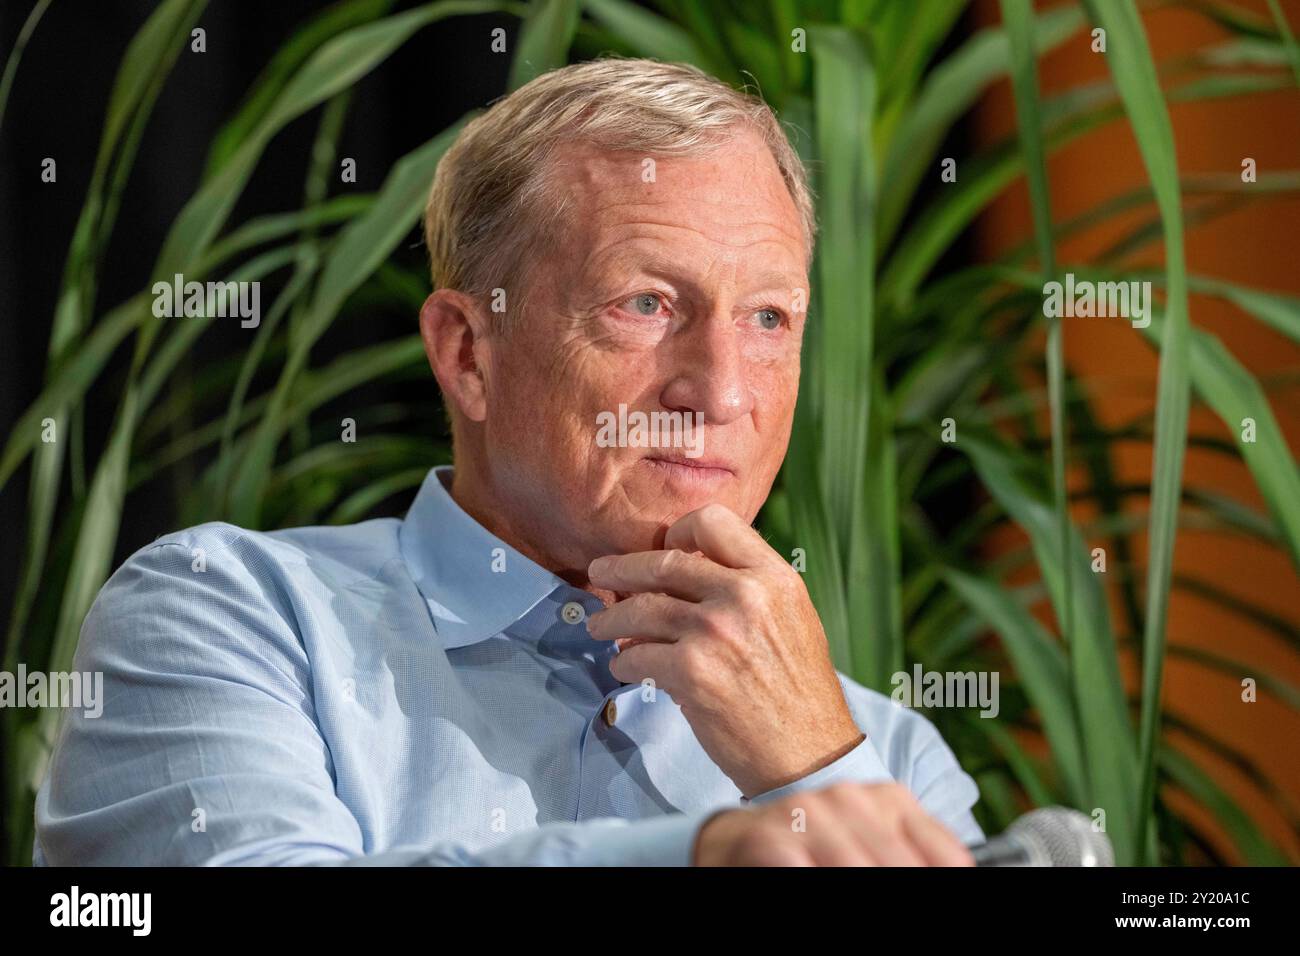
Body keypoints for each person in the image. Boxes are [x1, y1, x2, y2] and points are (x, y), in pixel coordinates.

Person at [34, 58, 982, 866]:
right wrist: (706, 851)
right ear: (467, 354)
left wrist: (818, 772)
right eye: (647, 304)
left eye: (769, 318)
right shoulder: (231, 619)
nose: (722, 391)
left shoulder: (887, 753)